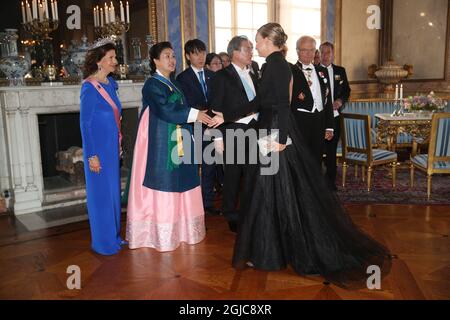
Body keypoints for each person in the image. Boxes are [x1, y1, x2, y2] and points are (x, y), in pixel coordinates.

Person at [225, 23, 391, 289]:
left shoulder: (274, 65)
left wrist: (278, 139)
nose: (256, 45)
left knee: (266, 192)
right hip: (272, 132)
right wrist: (228, 115)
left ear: (270, 40)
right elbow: (262, 102)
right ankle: (271, 251)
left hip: (273, 134)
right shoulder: (276, 64)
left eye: (259, 40)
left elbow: (279, 104)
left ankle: (269, 253)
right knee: (273, 191)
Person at [126, 41, 213, 251]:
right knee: (165, 179)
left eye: (173, 56)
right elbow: (165, 109)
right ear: (155, 60)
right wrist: (195, 114)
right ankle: (161, 233)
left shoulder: (174, 83)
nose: (172, 60)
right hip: (161, 141)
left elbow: (180, 107)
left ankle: (183, 229)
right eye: (167, 56)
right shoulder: (152, 85)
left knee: (183, 179)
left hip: (179, 137)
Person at [80, 38, 125, 255]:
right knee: (100, 196)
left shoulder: (111, 84)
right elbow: (85, 124)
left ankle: (114, 236)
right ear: (99, 62)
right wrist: (91, 155)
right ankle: (103, 241)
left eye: (115, 57)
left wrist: (118, 142)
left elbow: (117, 118)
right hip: (98, 151)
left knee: (113, 194)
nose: (115, 61)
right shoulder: (90, 87)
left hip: (111, 148)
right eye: (111, 58)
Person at [209, 36, 259, 233]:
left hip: (255, 129)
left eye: (252, 48)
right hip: (233, 130)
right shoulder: (221, 76)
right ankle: (230, 213)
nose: (251, 52)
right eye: (248, 49)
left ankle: (249, 211)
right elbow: (215, 108)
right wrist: (218, 137)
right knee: (232, 176)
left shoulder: (254, 73)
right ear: (235, 52)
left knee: (252, 174)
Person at [176, 39, 220, 215]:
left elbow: (218, 98)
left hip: (213, 123)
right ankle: (192, 205)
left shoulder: (212, 76)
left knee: (210, 164)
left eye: (202, 52)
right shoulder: (182, 78)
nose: (200, 56)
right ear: (188, 56)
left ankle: (207, 203)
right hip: (193, 125)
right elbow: (186, 103)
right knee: (193, 165)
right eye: (195, 53)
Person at [290, 36, 334, 165]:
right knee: (300, 160)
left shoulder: (322, 71)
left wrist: (329, 126)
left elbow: (328, 100)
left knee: (316, 159)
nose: (309, 53)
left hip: (319, 120)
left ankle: (315, 185)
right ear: (297, 51)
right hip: (300, 121)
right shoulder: (291, 71)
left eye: (312, 50)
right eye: (304, 50)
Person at [320, 42, 351, 189]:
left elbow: (347, 90)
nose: (325, 55)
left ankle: (330, 182)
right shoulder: (314, 70)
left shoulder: (340, 71)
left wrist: (340, 100)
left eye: (328, 53)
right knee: (318, 150)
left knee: (332, 151)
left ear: (333, 54)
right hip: (319, 118)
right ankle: (316, 182)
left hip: (335, 116)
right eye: (322, 52)